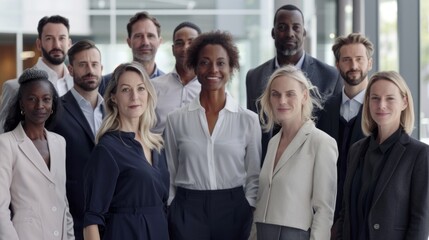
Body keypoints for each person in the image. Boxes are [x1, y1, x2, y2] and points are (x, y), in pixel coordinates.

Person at [164, 31, 261, 240]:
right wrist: (173, 206)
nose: (213, 70)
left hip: (234, 209)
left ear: (231, 67)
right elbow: (170, 171)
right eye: (205, 62)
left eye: (220, 63)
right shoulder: (176, 120)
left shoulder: (248, 120)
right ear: (196, 67)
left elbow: (254, 174)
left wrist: (248, 206)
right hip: (187, 209)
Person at [336, 71, 429, 240]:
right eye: (375, 98)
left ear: (404, 102)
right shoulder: (356, 151)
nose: (381, 105)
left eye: (390, 98)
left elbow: (420, 221)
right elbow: (345, 213)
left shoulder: (419, 154)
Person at [83, 62, 169, 240]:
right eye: (125, 90)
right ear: (113, 97)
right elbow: (91, 220)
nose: (134, 97)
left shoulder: (157, 146)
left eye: (140, 88)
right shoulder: (107, 149)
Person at [246, 4, 342, 160]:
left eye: (296, 28)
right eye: (282, 27)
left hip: (312, 163)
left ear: (304, 33)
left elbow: (334, 131)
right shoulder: (254, 77)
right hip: (267, 166)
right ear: (273, 32)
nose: (289, 33)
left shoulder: (330, 76)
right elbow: (254, 131)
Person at [253, 65, 337, 240]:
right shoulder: (273, 142)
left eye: (290, 94)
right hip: (263, 232)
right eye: (275, 94)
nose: (282, 101)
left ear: (304, 96)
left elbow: (324, 209)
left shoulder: (321, 142)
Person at [0, 68, 74, 239]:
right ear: (21, 104)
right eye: (32, 99)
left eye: (46, 99)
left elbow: (63, 202)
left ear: (52, 104)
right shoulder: (6, 144)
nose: (40, 106)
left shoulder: (59, 142)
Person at [316, 33, 373, 224]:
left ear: (370, 63)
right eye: (347, 60)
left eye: (359, 59)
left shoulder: (380, 110)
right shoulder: (323, 109)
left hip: (365, 212)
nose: (354, 66)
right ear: (337, 65)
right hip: (327, 210)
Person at [50, 39, 104, 240]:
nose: (90, 70)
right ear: (71, 70)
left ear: (102, 68)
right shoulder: (55, 112)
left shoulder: (115, 111)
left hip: (112, 213)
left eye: (94, 64)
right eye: (83, 65)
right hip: (73, 214)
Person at [0, 15, 73, 133]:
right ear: (39, 44)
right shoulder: (15, 87)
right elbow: (3, 132)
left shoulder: (77, 84)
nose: (56, 45)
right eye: (49, 38)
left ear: (69, 43)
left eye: (62, 38)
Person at [151, 21, 202, 134]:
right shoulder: (153, 87)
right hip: (159, 150)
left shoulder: (210, 89)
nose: (185, 48)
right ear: (173, 49)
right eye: (180, 43)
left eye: (191, 43)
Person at [99, 11, 164, 95]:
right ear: (129, 42)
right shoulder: (106, 84)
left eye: (150, 36)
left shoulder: (169, 86)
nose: (145, 42)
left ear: (159, 42)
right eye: (138, 36)